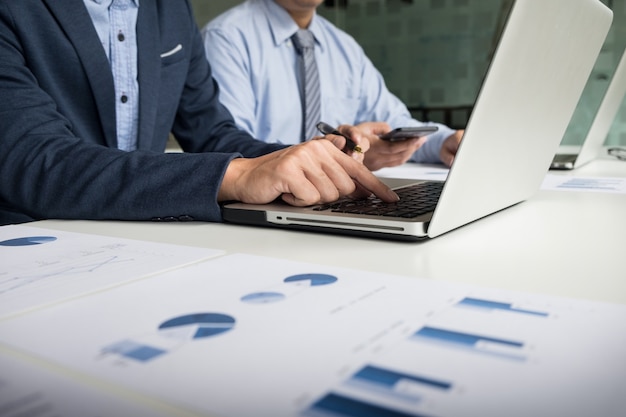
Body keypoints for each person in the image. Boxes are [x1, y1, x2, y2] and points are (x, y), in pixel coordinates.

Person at [0, 0, 399, 226]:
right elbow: (34, 161)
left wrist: (301, 159)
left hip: (138, 233)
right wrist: (235, 174)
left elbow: (212, 133)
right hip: (28, 239)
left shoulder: (171, 10)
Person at [201, 0, 464, 172]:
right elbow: (228, 148)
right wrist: (343, 157)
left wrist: (442, 141)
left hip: (337, 198)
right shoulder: (226, 39)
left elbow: (392, 120)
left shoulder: (344, 47)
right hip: (264, 206)